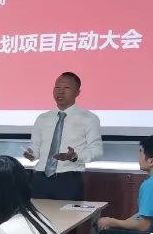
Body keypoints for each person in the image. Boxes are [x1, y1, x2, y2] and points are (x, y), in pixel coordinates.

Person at [24, 72, 103, 201]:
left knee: (68, 214)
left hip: (68, 180)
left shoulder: (89, 119)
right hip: (39, 178)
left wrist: (74, 156)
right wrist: (31, 154)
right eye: (57, 87)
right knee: (37, 214)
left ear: (78, 92)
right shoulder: (43, 118)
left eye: (66, 88)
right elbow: (36, 148)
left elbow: (97, 151)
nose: (60, 92)